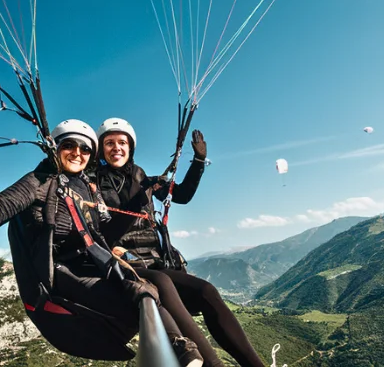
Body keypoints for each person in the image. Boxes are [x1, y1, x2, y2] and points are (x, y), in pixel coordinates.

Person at [0, 118, 204, 367]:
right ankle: (178, 351)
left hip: (96, 265)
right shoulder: (38, 182)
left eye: (85, 148)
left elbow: (99, 231)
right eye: (69, 145)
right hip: (64, 274)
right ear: (55, 148)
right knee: (139, 294)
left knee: (150, 286)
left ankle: (183, 348)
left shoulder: (87, 187)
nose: (77, 153)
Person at [94, 118, 267, 367]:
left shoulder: (142, 177)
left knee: (206, 292)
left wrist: (198, 162)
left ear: (131, 147)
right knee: (163, 283)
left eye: (122, 142)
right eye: (109, 143)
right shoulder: (92, 183)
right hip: (125, 267)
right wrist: (135, 202)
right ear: (101, 149)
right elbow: (101, 235)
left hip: (156, 263)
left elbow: (182, 195)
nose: (116, 148)